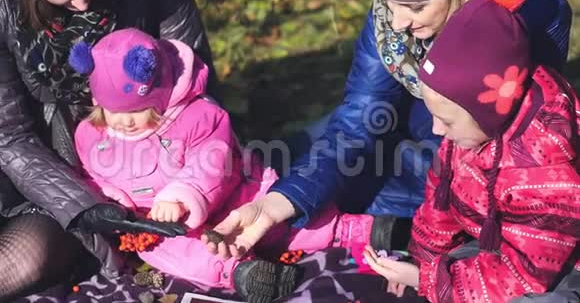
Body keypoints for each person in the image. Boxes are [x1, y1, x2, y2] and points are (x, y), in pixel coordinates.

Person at [204, 0, 572, 261]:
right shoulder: (392, 17)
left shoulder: (528, 14)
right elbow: (361, 115)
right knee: (290, 167)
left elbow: (515, 142)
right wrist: (281, 200)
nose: (396, 23)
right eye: (391, 4)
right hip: (404, 131)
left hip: (465, 152)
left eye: (415, 7)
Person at [72, 28, 395, 303]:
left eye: (137, 112)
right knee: (185, 256)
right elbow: (94, 177)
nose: (125, 122)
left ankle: (354, 229)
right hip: (164, 229)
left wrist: (183, 195)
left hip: (234, 196)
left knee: (280, 225)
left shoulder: (198, 117)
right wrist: (117, 205)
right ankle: (243, 274)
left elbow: (210, 162)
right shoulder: (91, 136)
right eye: (114, 113)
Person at [362, 0, 580, 301]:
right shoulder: (466, 135)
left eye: (446, 120)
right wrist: (423, 261)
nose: (436, 130)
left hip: (557, 266)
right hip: (504, 247)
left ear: (488, 112)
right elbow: (441, 201)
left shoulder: (539, 173)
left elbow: (523, 276)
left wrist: (428, 280)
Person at [0, 0, 214, 299]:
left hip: (140, 150)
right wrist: (83, 206)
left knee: (29, 259)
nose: (84, 4)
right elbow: (11, 135)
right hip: (37, 165)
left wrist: (180, 179)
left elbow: (193, 84)